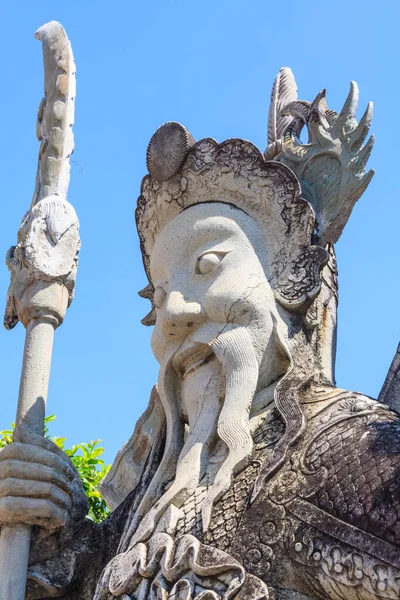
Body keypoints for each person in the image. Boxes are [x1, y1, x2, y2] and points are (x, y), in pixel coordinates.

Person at [1, 74, 399, 600]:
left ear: (289, 280)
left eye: (208, 264)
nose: (173, 315)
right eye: (158, 297)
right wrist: (54, 528)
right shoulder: (145, 510)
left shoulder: (338, 453)